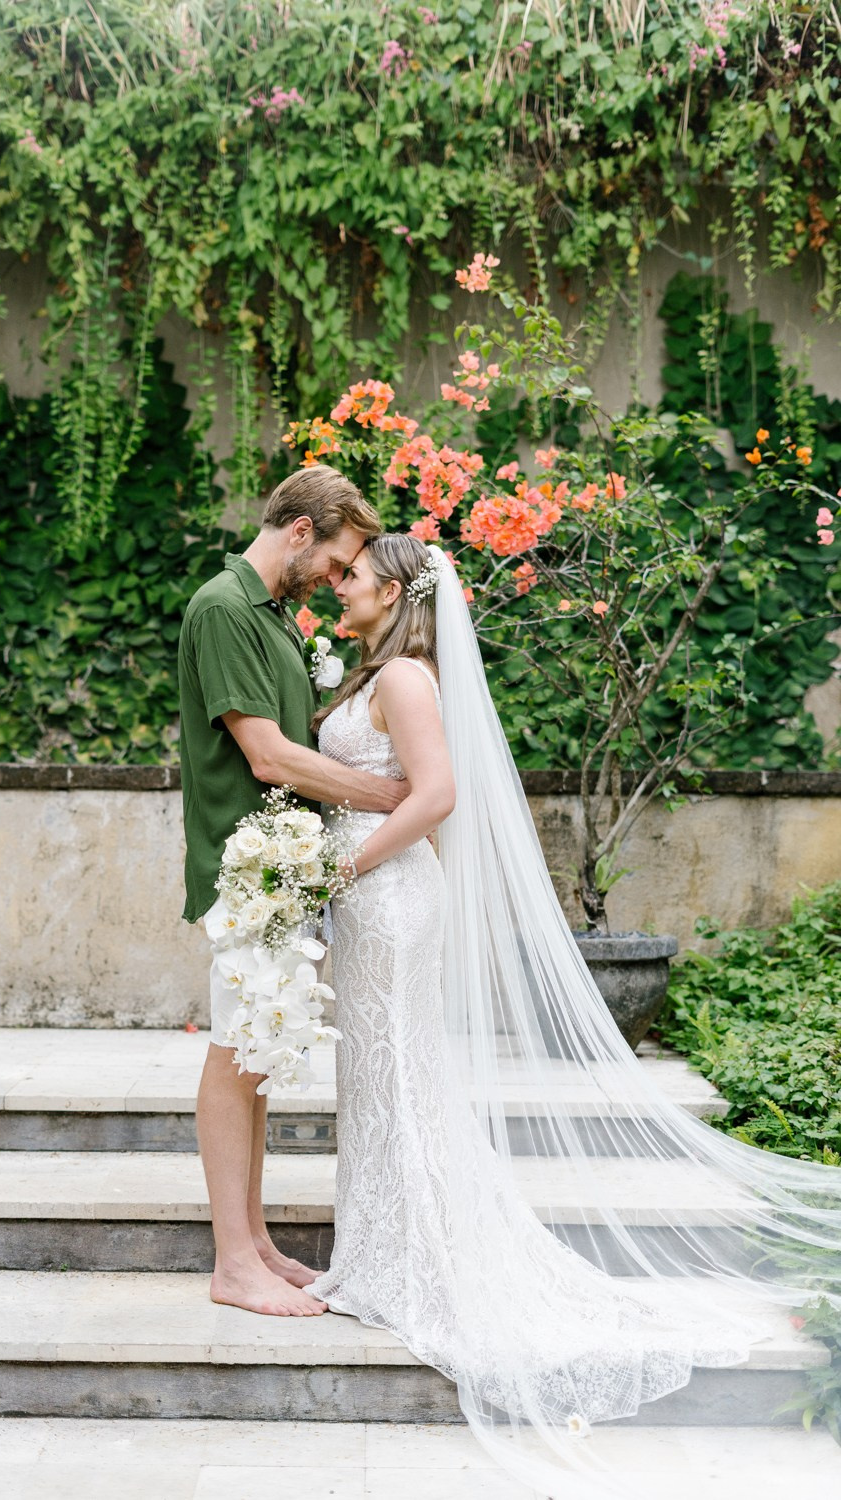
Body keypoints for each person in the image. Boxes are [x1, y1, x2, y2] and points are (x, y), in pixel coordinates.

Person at [302, 533, 841, 1500]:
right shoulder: (378, 671)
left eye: (354, 576)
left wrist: (344, 866)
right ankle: (380, 1253)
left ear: (395, 592)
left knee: (400, 1076)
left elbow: (437, 796)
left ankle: (416, 1261)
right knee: (377, 1078)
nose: (339, 586)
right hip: (373, 902)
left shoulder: (409, 679)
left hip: (388, 896)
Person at [177, 464, 410, 1319]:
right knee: (236, 1054)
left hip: (283, 871)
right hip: (247, 870)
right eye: (339, 560)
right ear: (302, 531)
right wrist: (394, 796)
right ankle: (232, 1264)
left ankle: (256, 1242)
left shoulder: (273, 615)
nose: (339, 579)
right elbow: (269, 756)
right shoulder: (224, 608)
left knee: (259, 1053)